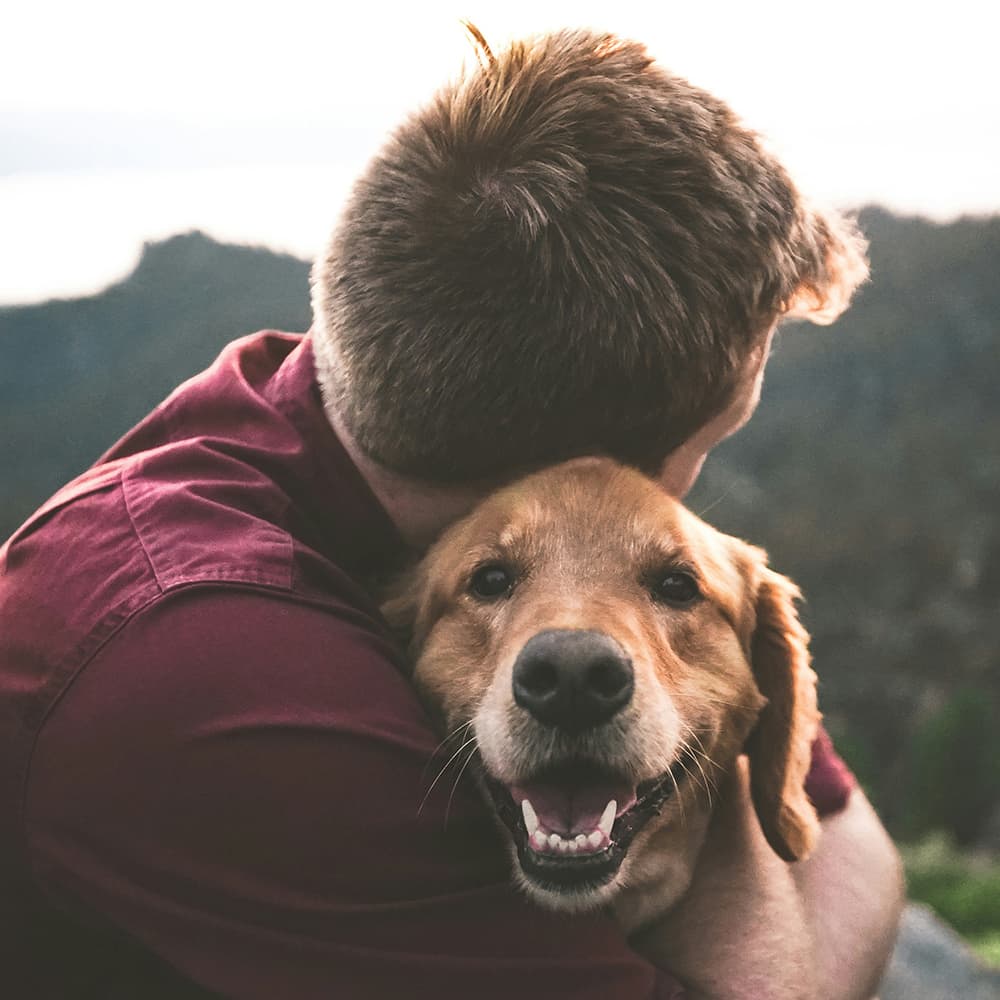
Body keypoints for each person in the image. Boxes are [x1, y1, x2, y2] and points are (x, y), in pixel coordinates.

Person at [0, 26, 903, 1000]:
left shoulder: (333, 405)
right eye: (710, 440)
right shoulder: (212, 670)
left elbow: (850, 838)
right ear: (584, 467)